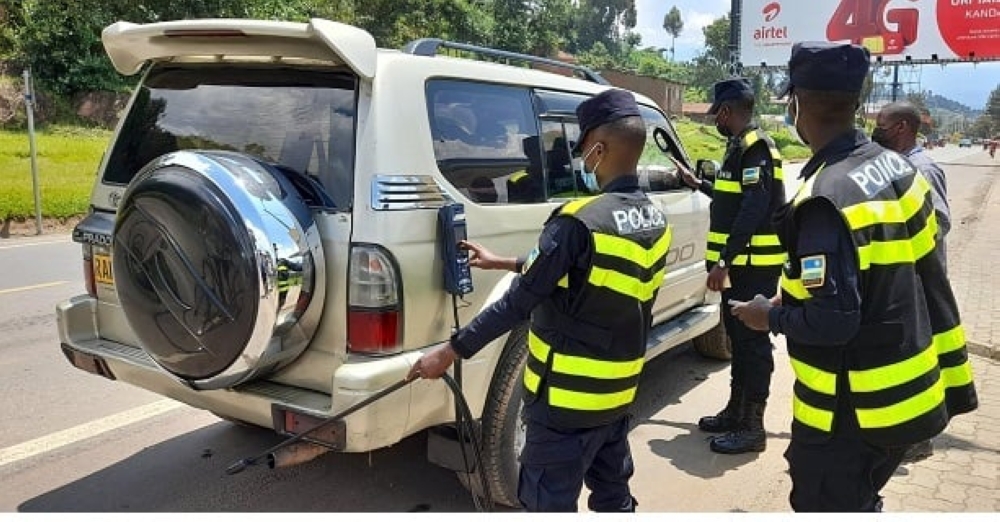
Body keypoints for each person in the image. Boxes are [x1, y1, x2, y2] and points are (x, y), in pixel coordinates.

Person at [730, 41, 978, 512]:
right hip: (909, 395)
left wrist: (770, 317)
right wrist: (796, 300)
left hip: (853, 412)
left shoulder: (826, 197)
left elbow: (834, 322)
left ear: (796, 103)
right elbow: (903, 269)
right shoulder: (896, 168)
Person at [407, 89, 672, 512]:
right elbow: (586, 277)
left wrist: (449, 352)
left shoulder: (578, 222)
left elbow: (518, 304)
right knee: (615, 499)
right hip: (617, 397)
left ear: (599, 149)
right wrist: (505, 261)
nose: (580, 157)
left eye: (583, 147)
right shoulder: (654, 219)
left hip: (564, 406)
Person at [673, 78, 786, 454]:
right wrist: (699, 183)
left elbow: (754, 210)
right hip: (741, 264)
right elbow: (733, 200)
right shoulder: (738, 147)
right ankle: (737, 412)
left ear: (725, 111)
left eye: (716, 114)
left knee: (753, 345)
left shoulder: (756, 148)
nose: (716, 121)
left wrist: (724, 261)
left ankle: (753, 428)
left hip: (752, 267)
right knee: (739, 341)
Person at [872, 101, 952, 464]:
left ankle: (919, 438)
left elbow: (939, 224)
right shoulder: (894, 166)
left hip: (919, 280)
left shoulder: (922, 168)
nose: (877, 129)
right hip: (904, 281)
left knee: (918, 359)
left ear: (902, 127)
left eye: (882, 124)